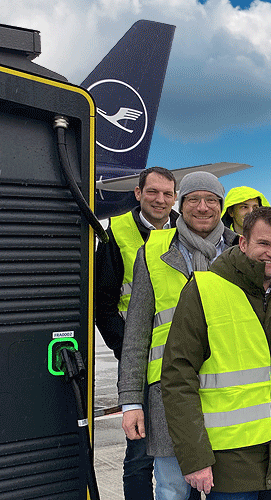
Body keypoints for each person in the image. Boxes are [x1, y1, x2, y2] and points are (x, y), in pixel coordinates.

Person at [160, 206, 271, 499]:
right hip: (230, 465)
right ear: (243, 242)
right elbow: (178, 379)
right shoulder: (204, 290)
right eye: (263, 243)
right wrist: (195, 457)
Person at [119, 172, 239, 500]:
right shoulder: (153, 252)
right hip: (168, 393)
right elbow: (137, 333)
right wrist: (131, 400)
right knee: (172, 488)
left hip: (229, 390)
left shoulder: (240, 250)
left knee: (225, 489)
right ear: (180, 205)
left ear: (221, 205)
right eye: (193, 199)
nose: (203, 207)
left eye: (211, 200)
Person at [96, 166, 177, 499]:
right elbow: (103, 302)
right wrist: (127, 348)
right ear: (138, 193)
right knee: (140, 454)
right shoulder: (119, 233)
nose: (160, 200)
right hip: (141, 361)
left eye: (167, 194)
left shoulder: (184, 230)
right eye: (153, 192)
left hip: (182, 358)